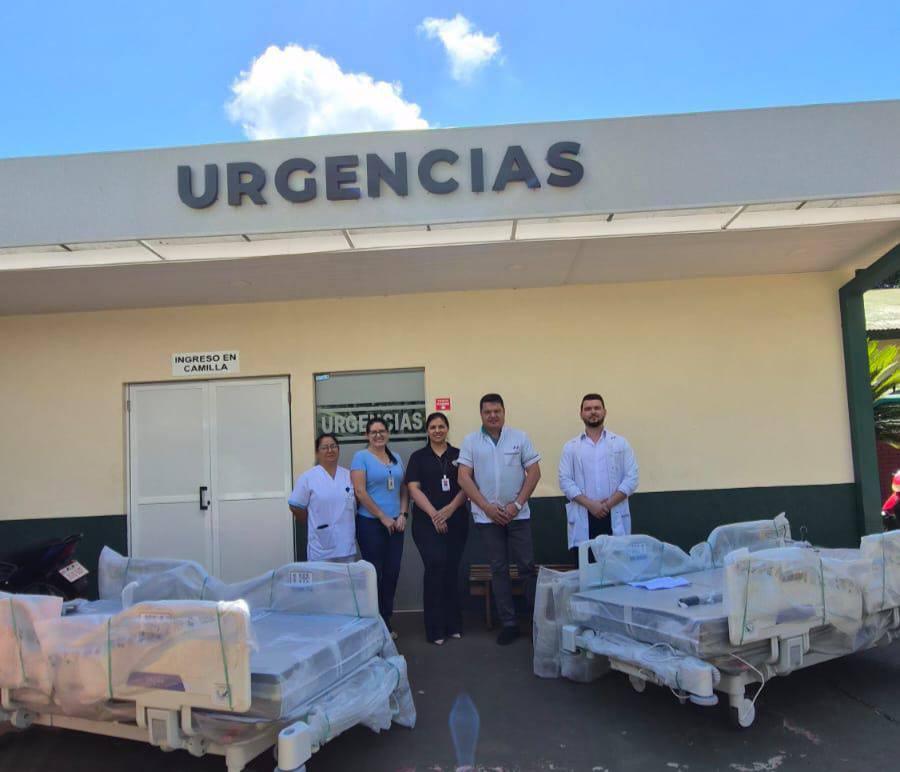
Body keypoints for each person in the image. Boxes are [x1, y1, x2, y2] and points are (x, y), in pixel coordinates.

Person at [458, 394, 541, 645]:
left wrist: (517, 505)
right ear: (481, 414)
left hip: (518, 515)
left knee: (527, 567)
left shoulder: (520, 437)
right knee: (499, 569)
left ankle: (537, 623)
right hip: (487, 518)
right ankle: (509, 624)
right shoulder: (471, 441)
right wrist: (486, 508)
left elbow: (534, 472)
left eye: (497, 411)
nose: (493, 416)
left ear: (504, 412)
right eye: (488, 412)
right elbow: (463, 477)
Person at [405, 412, 469, 645]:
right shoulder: (418, 457)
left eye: (441, 426)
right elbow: (413, 488)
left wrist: (449, 510)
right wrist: (435, 514)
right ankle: (435, 630)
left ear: (447, 429)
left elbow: (467, 486)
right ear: (427, 431)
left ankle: (453, 625)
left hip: (457, 520)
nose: (437, 430)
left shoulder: (460, 455)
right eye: (433, 427)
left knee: (451, 569)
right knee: (435, 567)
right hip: (426, 523)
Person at [558, 393, 640, 559]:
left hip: (614, 514)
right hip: (584, 516)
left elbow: (632, 478)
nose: (593, 412)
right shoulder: (571, 447)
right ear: (581, 414)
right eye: (588, 409)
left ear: (604, 412)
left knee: (616, 569)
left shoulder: (620, 443)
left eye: (597, 408)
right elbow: (565, 481)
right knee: (586, 568)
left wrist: (607, 505)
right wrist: (591, 505)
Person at [351, 418, 408, 636]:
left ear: (388, 433)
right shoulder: (361, 457)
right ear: (367, 435)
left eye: (382, 431)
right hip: (370, 524)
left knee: (392, 572)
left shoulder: (396, 458)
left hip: (396, 524)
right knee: (375, 574)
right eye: (373, 432)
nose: (378, 435)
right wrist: (383, 516)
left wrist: (402, 514)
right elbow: (360, 491)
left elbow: (404, 488)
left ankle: (386, 619)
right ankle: (373, 623)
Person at [288, 433, 357, 562]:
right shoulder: (308, 477)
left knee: (346, 575)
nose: (330, 450)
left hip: (346, 544)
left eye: (333, 446)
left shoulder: (348, 475)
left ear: (338, 449)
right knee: (321, 575)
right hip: (321, 545)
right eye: (325, 447)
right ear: (317, 452)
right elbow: (295, 505)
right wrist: (309, 519)